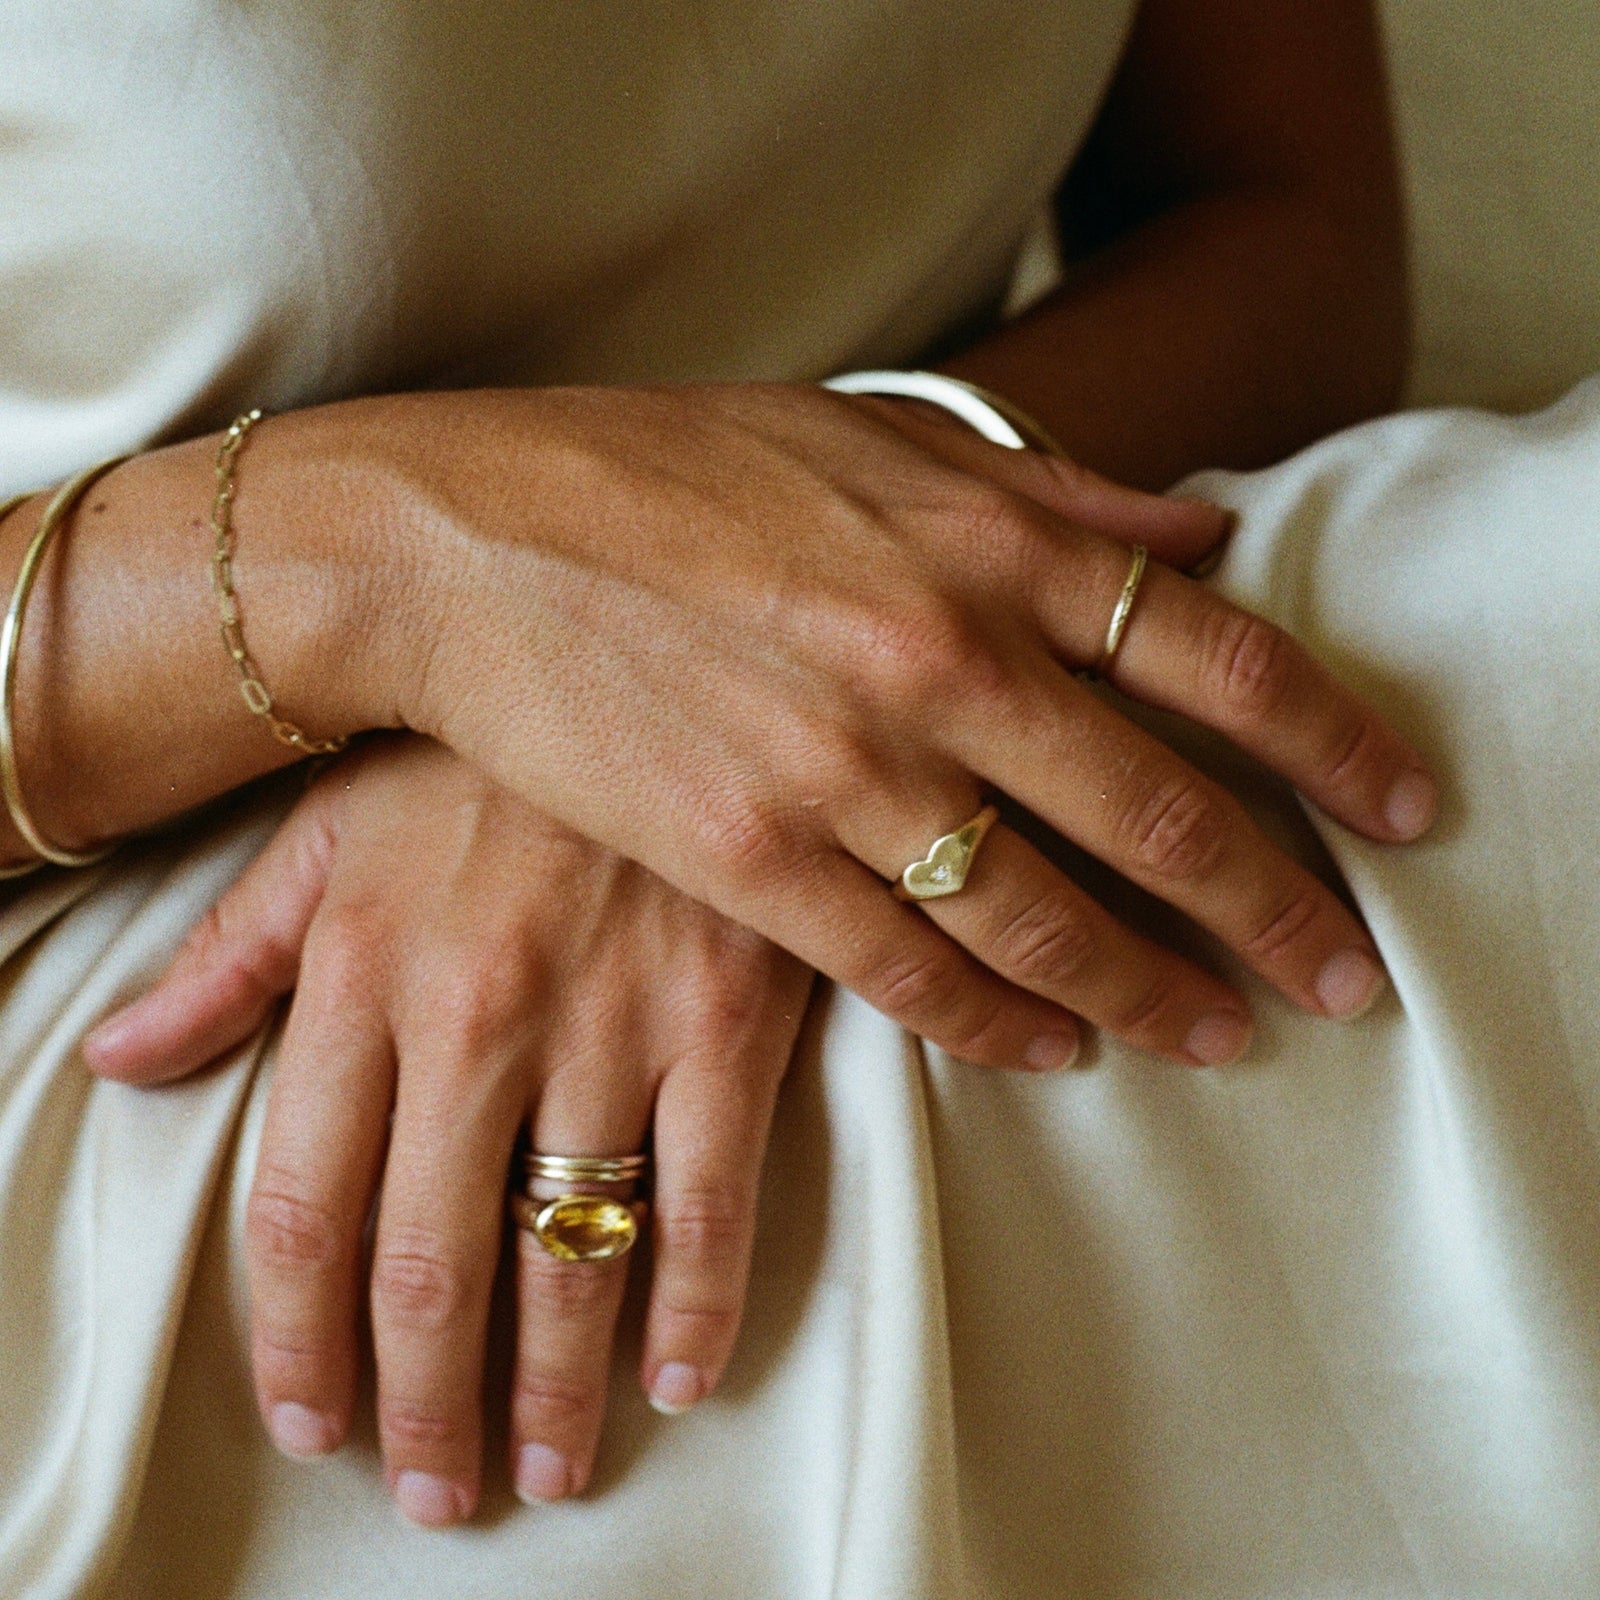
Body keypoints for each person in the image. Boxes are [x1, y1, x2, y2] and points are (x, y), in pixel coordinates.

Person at [3, 0, 1595, 1595]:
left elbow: (1276, 223)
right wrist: (407, 570)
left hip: (944, 673)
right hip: (222, 948)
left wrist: (801, 592)